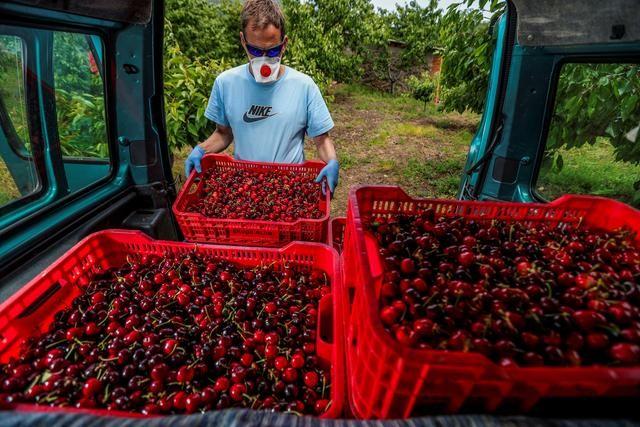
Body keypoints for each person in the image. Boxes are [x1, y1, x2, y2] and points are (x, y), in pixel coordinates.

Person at [184, 0, 339, 194]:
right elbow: (224, 133)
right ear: (243, 40)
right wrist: (201, 150)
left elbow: (321, 139)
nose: (264, 60)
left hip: (289, 187)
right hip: (245, 188)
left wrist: (331, 161)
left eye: (273, 51)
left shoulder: (304, 86)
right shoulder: (226, 83)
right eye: (256, 51)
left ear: (284, 44)